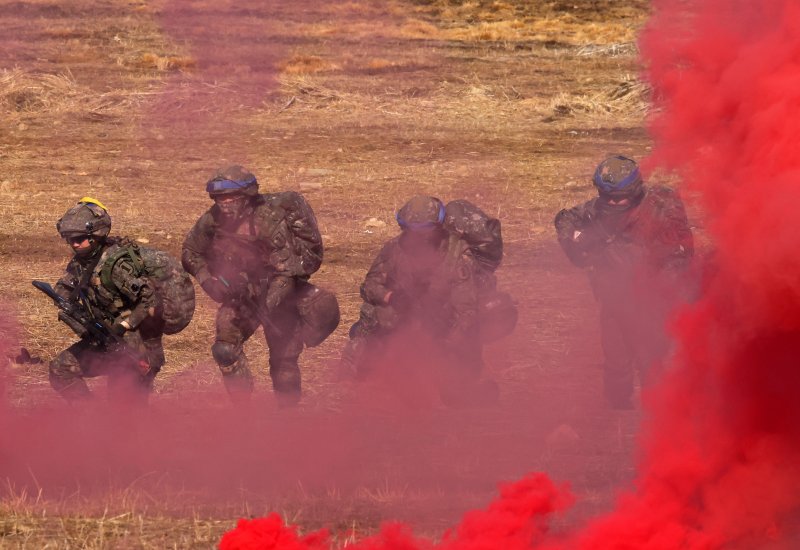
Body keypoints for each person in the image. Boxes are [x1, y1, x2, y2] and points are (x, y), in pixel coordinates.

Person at [340, 195, 514, 406]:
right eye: (411, 231)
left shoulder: (455, 256)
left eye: (424, 232)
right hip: (405, 323)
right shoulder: (395, 249)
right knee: (374, 314)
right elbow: (369, 286)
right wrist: (391, 297)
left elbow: (466, 311)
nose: (417, 239)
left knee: (455, 395)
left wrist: (447, 345)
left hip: (445, 327)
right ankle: (362, 378)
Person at [182, 165, 334, 405]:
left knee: (284, 360)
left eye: (231, 197)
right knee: (225, 350)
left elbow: (290, 269)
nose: (224, 203)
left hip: (281, 294)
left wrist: (271, 304)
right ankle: (243, 411)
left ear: (247, 196)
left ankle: (288, 416)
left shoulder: (271, 219)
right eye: (219, 198)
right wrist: (208, 281)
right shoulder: (212, 220)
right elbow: (191, 252)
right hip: (242, 295)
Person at [554, 155, 694, 409]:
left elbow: (681, 255)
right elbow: (564, 220)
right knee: (616, 362)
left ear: (636, 191)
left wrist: (661, 294)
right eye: (607, 198)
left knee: (651, 361)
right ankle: (617, 412)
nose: (613, 204)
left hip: (652, 299)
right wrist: (577, 241)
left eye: (619, 198)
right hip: (614, 298)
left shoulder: (661, 208)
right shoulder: (599, 209)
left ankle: (659, 416)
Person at [48, 198, 166, 402]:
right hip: (105, 341)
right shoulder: (82, 261)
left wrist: (125, 325)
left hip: (133, 350)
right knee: (61, 368)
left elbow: (149, 299)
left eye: (79, 238)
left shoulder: (116, 266)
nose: (74, 244)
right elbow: (66, 286)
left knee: (126, 414)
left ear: (96, 235)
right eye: (70, 239)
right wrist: (66, 303)